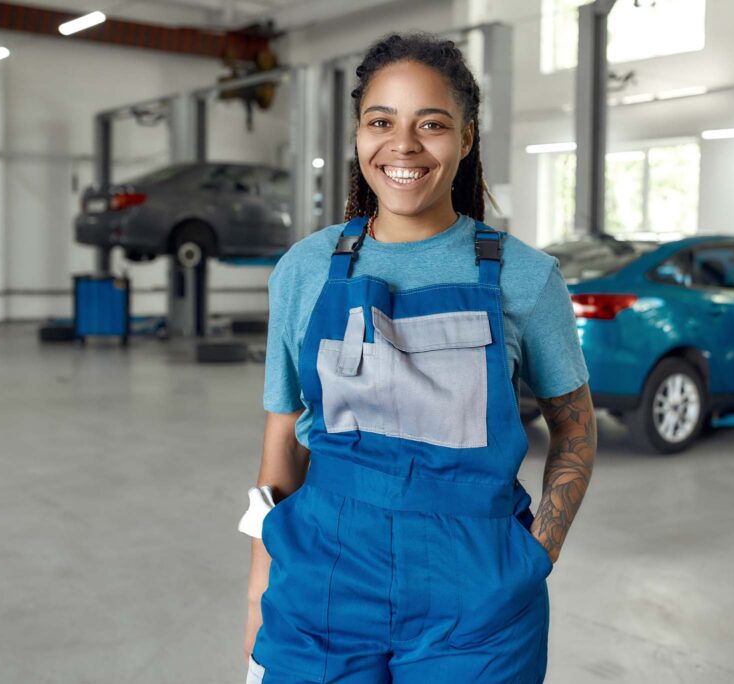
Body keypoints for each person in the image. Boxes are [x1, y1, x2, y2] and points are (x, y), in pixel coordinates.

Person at [240, 31, 597, 683]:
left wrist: (534, 556)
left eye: (430, 124)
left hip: (476, 595)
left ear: (465, 138)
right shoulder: (305, 270)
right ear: (357, 134)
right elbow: (283, 437)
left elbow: (575, 427)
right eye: (382, 121)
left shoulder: (525, 276)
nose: (402, 145)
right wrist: (259, 582)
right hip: (320, 580)